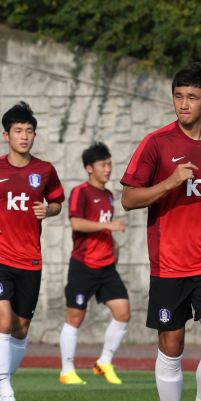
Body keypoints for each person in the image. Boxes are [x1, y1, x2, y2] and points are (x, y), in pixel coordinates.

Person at [121, 62, 201, 401]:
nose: (184, 104)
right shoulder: (157, 143)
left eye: (192, 97)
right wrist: (168, 182)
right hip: (169, 260)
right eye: (178, 96)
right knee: (171, 345)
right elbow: (129, 198)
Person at [0, 102, 65, 401]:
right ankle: (6, 389)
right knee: (4, 321)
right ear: (6, 135)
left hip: (30, 261)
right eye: (18, 131)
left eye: (29, 130)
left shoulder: (44, 170)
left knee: (21, 330)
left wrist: (48, 210)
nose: (24, 136)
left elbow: (58, 202)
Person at [59, 142, 130, 385]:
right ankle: (67, 370)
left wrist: (113, 245)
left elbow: (101, 225)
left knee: (123, 313)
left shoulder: (109, 195)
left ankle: (104, 362)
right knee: (75, 317)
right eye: (103, 165)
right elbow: (77, 223)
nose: (108, 169)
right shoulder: (81, 192)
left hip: (106, 266)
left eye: (109, 164)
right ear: (90, 168)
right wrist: (108, 227)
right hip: (84, 264)